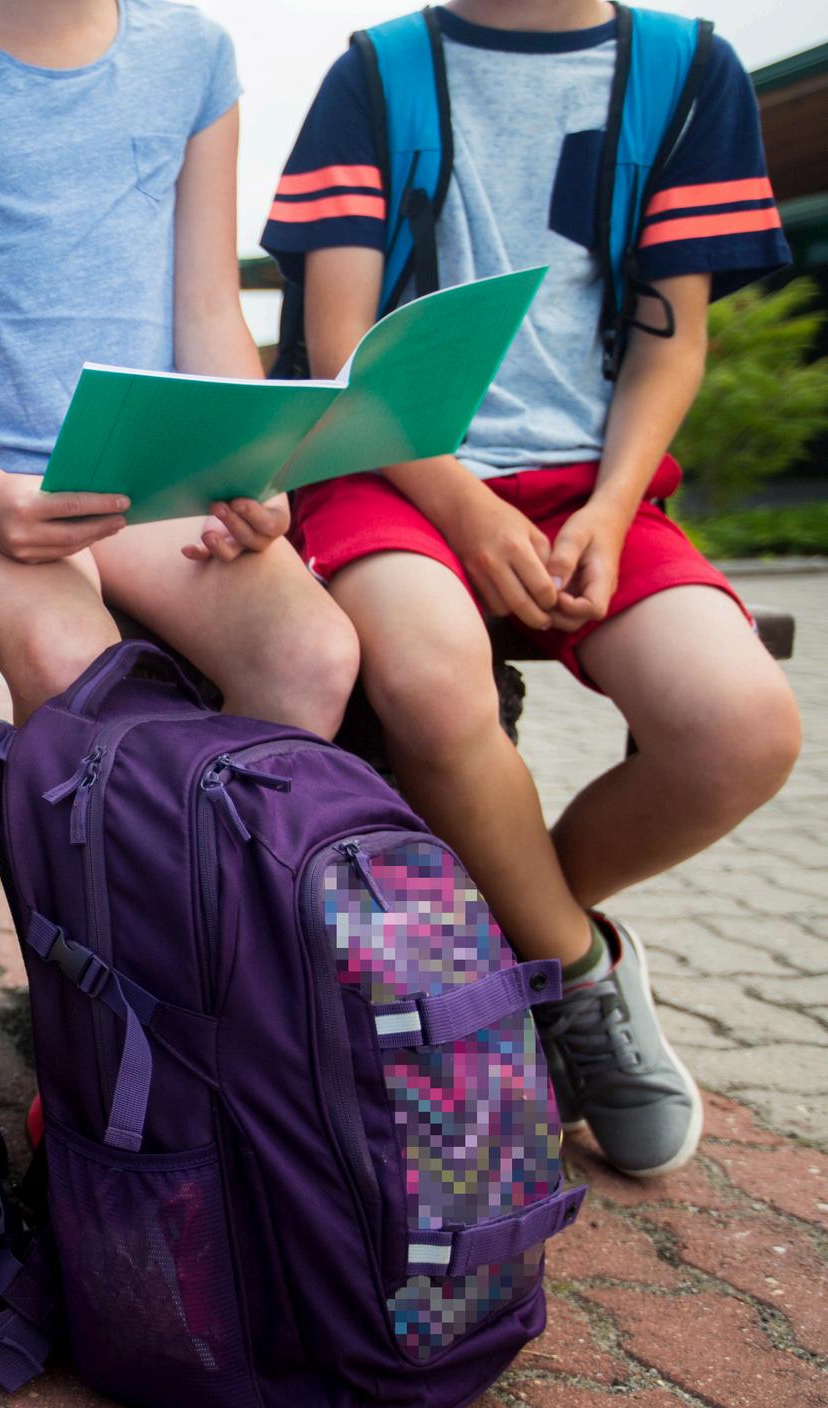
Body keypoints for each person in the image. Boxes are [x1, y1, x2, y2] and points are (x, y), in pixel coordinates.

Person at [265, 0, 800, 1177]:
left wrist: (609, 508)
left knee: (742, 728)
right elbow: (340, 350)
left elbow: (671, 340)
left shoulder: (683, 72)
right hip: (387, 465)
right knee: (424, 679)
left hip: (588, 485)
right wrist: (464, 506)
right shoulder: (376, 73)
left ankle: (500, 940)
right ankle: (573, 971)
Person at [0, 0, 360, 734]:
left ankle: (217, 813)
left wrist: (253, 470)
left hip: (149, 482)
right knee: (72, 659)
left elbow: (208, 308)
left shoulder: (195, 52)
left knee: (309, 655)